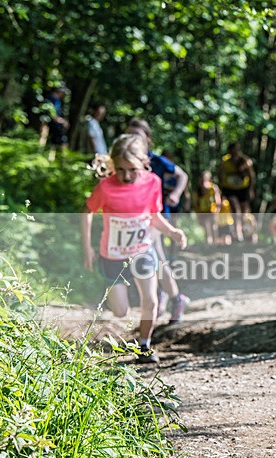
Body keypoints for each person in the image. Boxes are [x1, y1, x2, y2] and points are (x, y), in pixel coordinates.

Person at [81, 134, 187, 363]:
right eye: (119, 169)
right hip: (112, 256)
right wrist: (87, 247)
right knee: (121, 311)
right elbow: (87, 212)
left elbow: (154, 216)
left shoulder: (152, 183)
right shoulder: (105, 187)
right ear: (112, 165)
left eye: (131, 169)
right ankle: (121, 304)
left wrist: (172, 232)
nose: (125, 175)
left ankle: (144, 346)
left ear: (142, 163)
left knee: (151, 301)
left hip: (142, 250)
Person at [125, 118, 190, 323]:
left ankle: (170, 298)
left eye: (138, 136)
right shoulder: (123, 161)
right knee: (154, 261)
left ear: (148, 140)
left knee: (156, 257)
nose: (133, 139)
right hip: (132, 221)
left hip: (155, 217)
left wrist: (176, 194)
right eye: (129, 135)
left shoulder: (157, 160)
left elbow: (182, 175)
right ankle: (168, 297)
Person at [218, 142, 257, 243]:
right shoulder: (225, 162)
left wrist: (251, 190)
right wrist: (221, 190)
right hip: (229, 189)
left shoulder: (245, 161)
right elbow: (220, 175)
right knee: (235, 209)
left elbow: (251, 177)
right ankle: (237, 232)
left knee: (244, 213)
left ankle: (247, 232)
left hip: (242, 189)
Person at [193, 170, 222, 244]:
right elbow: (196, 202)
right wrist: (197, 213)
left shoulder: (213, 188)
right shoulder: (198, 189)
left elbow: (218, 201)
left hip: (212, 211)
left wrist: (217, 211)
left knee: (213, 227)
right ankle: (208, 243)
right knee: (206, 227)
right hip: (202, 211)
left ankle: (215, 242)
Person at [45, 86, 70, 151]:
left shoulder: (57, 100)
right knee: (63, 143)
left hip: (55, 126)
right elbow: (53, 116)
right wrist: (63, 122)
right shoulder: (53, 99)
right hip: (53, 126)